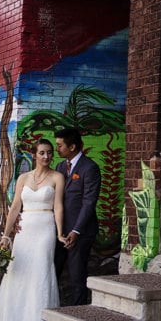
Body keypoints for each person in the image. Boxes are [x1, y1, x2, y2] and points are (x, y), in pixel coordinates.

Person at [0, 138, 67, 321]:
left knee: (41, 270)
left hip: (45, 227)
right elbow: (14, 207)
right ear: (34, 155)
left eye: (49, 152)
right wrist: (5, 235)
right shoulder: (23, 178)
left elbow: (58, 206)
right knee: (18, 272)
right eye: (42, 153)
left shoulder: (58, 177)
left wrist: (59, 233)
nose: (46, 156)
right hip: (25, 228)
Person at [54, 127, 101, 306]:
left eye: (60, 145)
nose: (57, 149)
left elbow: (89, 202)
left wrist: (76, 230)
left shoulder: (90, 168)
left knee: (77, 276)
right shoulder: (60, 167)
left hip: (79, 233)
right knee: (54, 272)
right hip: (59, 231)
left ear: (72, 146)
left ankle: (78, 312)